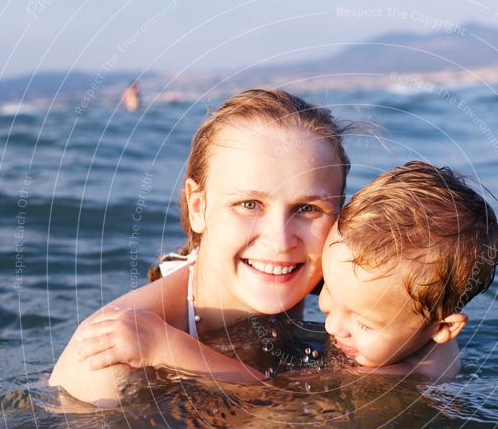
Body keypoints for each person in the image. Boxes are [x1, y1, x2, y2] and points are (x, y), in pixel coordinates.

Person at [50, 89, 351, 406]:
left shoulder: (347, 293)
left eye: (307, 209)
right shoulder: (112, 360)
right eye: (249, 204)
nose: (280, 241)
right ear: (198, 208)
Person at [318, 161, 498, 377]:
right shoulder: (420, 328)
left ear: (443, 328)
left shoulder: (395, 376)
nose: (332, 326)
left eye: (365, 324)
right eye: (329, 289)